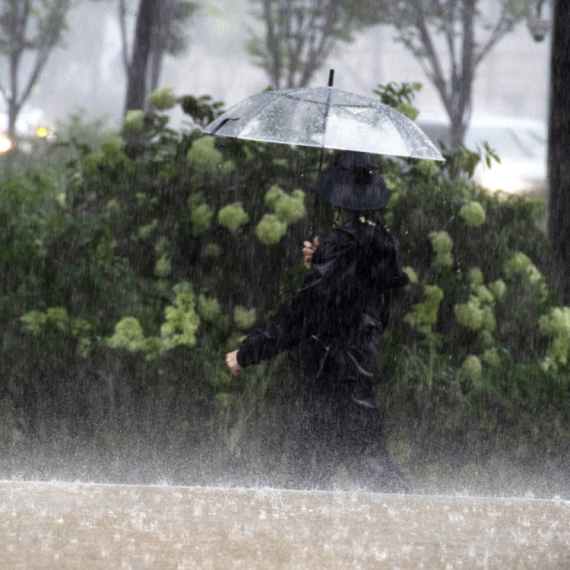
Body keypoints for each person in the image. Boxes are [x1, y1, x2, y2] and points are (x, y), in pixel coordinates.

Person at [225, 151, 410, 492]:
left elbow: (304, 310)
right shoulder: (383, 240)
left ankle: (418, 528)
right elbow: (369, 302)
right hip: (357, 367)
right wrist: (324, 264)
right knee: (338, 470)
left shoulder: (343, 243)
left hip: (335, 370)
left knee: (327, 474)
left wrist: (249, 351)